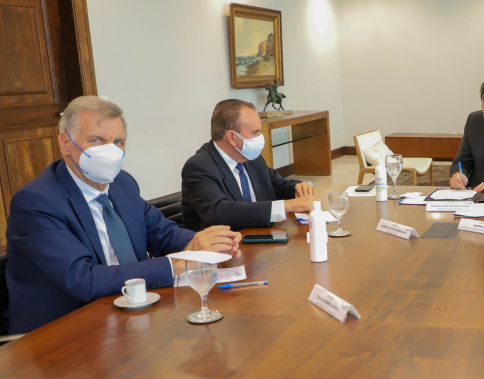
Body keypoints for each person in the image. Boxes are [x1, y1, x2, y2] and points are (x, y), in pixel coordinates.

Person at [6, 96, 242, 334]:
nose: (110, 151)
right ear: (65, 143)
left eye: (118, 141)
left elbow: (162, 232)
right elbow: (82, 279)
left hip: (131, 315)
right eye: (96, 140)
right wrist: (177, 265)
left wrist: (201, 243)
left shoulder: (122, 183)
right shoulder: (36, 202)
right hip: (63, 332)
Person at [181, 99, 316, 231]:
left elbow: (278, 185)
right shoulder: (199, 167)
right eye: (255, 133)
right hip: (222, 247)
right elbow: (220, 213)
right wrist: (286, 206)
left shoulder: (251, 158)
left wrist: (298, 188)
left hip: (259, 238)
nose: (260, 137)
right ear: (232, 137)